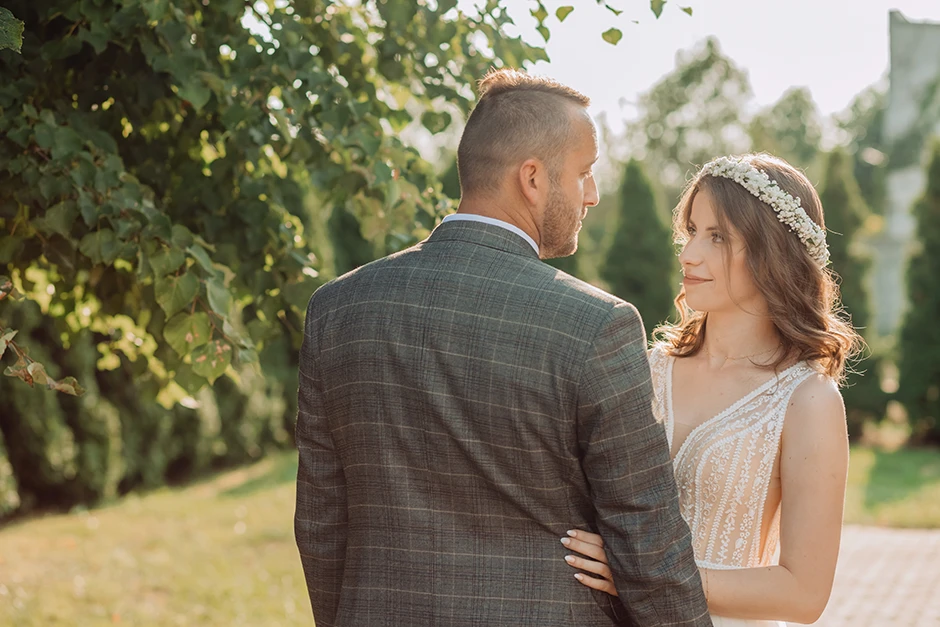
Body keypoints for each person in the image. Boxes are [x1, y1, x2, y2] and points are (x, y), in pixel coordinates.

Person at [294, 68, 712, 626]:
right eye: (584, 173)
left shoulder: (336, 308)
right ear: (532, 178)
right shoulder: (595, 324)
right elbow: (645, 534)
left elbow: (322, 520)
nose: (592, 194)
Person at [560, 153, 861, 626]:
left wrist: (648, 577)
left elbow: (804, 594)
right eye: (692, 231)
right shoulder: (644, 369)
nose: (688, 254)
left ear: (772, 252)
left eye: (717, 236)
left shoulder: (808, 401)